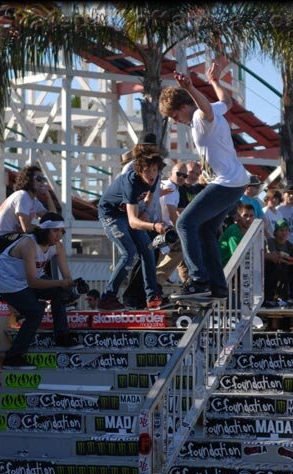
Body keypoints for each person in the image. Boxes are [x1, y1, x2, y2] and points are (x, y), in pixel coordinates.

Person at [159, 57, 249, 299]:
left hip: (226, 183)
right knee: (206, 228)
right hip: (236, 183)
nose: (177, 121)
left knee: (185, 223)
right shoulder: (213, 113)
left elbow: (206, 109)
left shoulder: (199, 116)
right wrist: (214, 80)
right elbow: (225, 101)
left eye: (175, 115)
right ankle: (218, 285)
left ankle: (198, 279)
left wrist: (190, 88)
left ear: (183, 106)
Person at [0, 212, 82, 370]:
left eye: (62, 231)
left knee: (59, 293)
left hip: (29, 280)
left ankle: (62, 337)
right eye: (55, 231)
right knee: (35, 312)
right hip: (10, 283)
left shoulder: (57, 246)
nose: (59, 234)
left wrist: (70, 286)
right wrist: (60, 283)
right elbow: (33, 282)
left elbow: (66, 276)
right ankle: (12, 358)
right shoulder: (29, 245)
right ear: (45, 231)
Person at [98, 146, 167, 310]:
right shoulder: (131, 181)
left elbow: (150, 194)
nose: (151, 175)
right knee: (129, 253)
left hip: (127, 214)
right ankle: (107, 298)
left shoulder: (154, 177)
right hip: (111, 215)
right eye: (147, 171)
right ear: (139, 171)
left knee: (149, 249)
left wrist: (145, 209)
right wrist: (153, 226)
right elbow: (133, 222)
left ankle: (151, 297)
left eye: (155, 170)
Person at [0, 164, 56, 254]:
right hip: (2, 237)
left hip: (11, 236)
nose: (42, 182)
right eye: (38, 178)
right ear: (29, 180)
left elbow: (53, 218)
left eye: (43, 179)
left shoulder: (33, 201)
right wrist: (43, 229)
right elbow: (27, 228)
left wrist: (48, 196)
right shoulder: (23, 196)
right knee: (40, 238)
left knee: (50, 240)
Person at [155, 162, 187, 290]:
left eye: (184, 176)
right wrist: (180, 231)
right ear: (171, 173)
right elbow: (172, 212)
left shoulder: (170, 187)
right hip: (164, 229)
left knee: (164, 254)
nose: (181, 177)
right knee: (182, 248)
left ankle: (160, 277)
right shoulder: (170, 187)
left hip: (160, 227)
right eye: (179, 174)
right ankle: (159, 277)